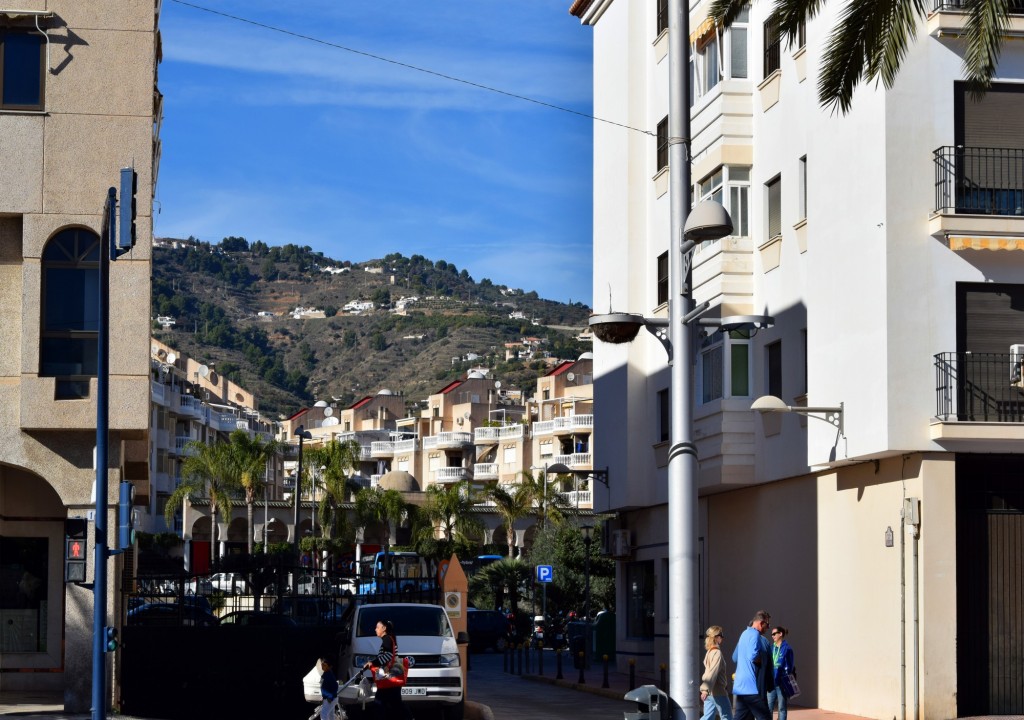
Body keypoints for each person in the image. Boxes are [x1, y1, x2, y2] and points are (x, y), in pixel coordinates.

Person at [362, 619, 408, 720]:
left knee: (380, 703)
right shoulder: (389, 639)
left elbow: (388, 656)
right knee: (395, 704)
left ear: (384, 628)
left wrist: (373, 663)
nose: (375, 629)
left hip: (388, 678)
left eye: (377, 627)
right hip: (391, 678)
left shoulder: (387, 639)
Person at [731, 610, 774, 720]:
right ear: (761, 623)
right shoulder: (756, 635)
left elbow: (735, 658)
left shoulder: (744, 634)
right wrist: (760, 660)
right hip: (753, 688)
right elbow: (753, 656)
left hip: (741, 687)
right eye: (767, 624)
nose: (768, 627)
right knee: (765, 717)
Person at [699, 625, 733, 720]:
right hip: (718, 691)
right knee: (727, 716)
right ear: (716, 637)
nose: (722, 637)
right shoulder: (716, 653)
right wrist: (705, 689)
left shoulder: (709, 651)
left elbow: (709, 671)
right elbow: (712, 672)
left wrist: (706, 690)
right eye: (721, 635)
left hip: (710, 692)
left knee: (708, 717)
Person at [766, 627, 795, 720]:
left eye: (774, 634)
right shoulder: (771, 648)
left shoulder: (787, 648)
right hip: (771, 682)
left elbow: (790, 666)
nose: (772, 636)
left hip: (781, 683)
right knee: (768, 707)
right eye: (771, 634)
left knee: (782, 707)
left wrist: (784, 676)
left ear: (781, 634)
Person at [319, 656, 339, 720]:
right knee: (330, 715)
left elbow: (335, 686)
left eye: (324, 665)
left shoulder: (330, 675)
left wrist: (330, 696)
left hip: (330, 698)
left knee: (323, 714)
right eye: (322, 664)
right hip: (328, 698)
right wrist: (323, 696)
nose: (322, 666)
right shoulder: (325, 674)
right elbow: (323, 687)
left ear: (330, 667)